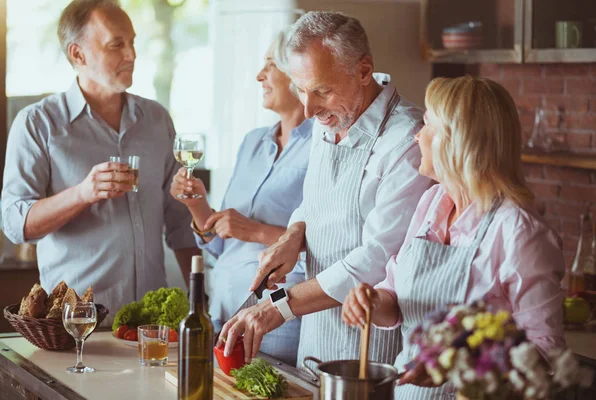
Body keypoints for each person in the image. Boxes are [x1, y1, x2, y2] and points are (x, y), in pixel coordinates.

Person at [217, 11, 432, 367]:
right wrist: (293, 235)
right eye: (301, 90)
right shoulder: (329, 117)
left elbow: (377, 257)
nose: (309, 108)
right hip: (315, 335)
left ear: (364, 71)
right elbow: (314, 202)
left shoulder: (406, 141)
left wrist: (279, 306)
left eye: (321, 91)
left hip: (370, 347)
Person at [341, 76, 566, 399]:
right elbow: (396, 296)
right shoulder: (431, 203)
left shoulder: (520, 233)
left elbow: (545, 353)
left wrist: (459, 365)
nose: (417, 135)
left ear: (456, 141)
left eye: (427, 125)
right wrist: (371, 302)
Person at [1, 0, 198, 324]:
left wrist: (199, 300)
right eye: (116, 44)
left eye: (132, 42)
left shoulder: (157, 120)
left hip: (151, 326)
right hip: (78, 328)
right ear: (78, 54)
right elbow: (15, 223)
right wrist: (82, 193)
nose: (131, 55)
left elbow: (179, 222)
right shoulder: (38, 124)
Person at [169, 30, 312, 366]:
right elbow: (220, 242)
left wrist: (256, 231)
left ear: (296, 74)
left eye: (269, 65)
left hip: (276, 322)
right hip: (222, 312)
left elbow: (326, 244)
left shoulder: (322, 146)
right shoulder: (252, 142)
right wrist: (197, 205)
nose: (259, 75)